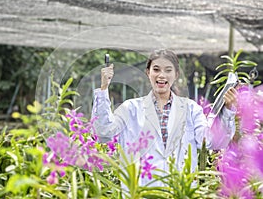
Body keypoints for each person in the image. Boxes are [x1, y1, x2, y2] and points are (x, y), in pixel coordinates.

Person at [91, 49, 237, 187]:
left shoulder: (191, 109)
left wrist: (228, 111)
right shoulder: (130, 109)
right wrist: (104, 89)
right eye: (156, 70)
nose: (161, 75)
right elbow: (103, 133)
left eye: (168, 70)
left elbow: (212, 141)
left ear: (176, 74)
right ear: (148, 72)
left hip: (179, 190)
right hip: (140, 190)